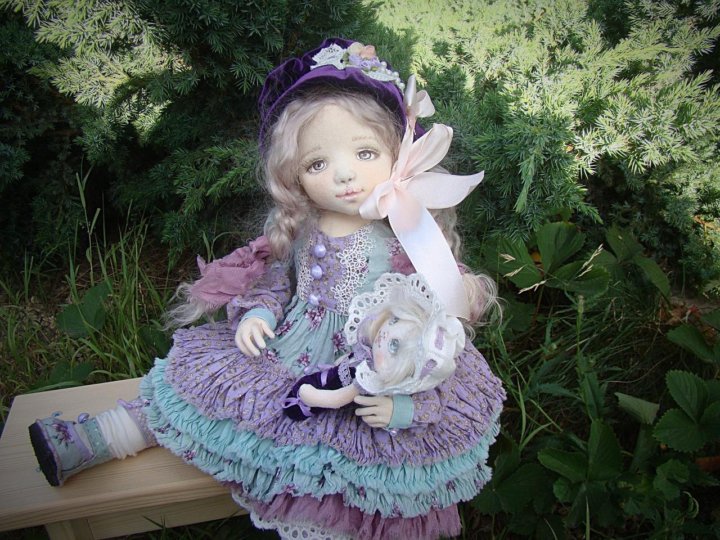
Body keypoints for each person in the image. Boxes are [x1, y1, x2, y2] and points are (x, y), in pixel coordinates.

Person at [28, 38, 506, 540]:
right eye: (317, 164)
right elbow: (277, 280)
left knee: (379, 462)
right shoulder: (303, 228)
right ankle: (94, 439)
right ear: (293, 176)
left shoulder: (404, 237)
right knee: (196, 390)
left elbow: (433, 322)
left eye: (365, 153)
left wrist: (407, 391)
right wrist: (259, 313)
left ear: (399, 155)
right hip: (291, 344)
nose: (345, 174)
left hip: (375, 360)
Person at [282, 272, 465, 422]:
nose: (385, 333)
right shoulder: (367, 347)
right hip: (300, 341)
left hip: (321, 397)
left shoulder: (371, 376)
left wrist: (404, 410)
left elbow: (338, 399)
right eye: (394, 320)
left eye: (394, 345)